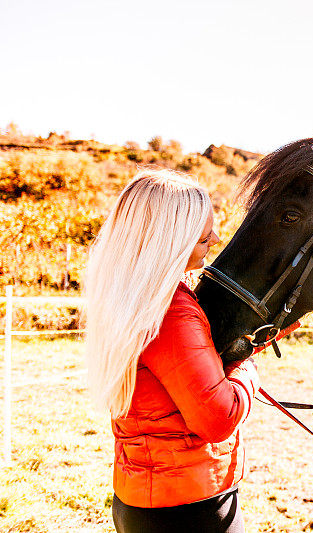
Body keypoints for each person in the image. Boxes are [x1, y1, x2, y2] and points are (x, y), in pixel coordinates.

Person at [84, 169, 260, 533]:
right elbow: (218, 417)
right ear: (171, 239)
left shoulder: (127, 297)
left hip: (141, 498)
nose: (214, 238)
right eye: (202, 234)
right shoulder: (170, 309)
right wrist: (248, 359)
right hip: (191, 507)